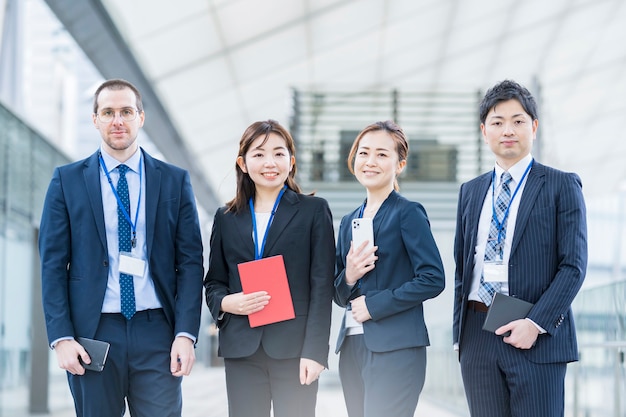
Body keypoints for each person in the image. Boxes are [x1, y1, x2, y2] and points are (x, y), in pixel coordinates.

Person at [39, 78, 204, 417]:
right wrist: (61, 337)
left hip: (157, 332)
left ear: (141, 117)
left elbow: (189, 263)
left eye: (126, 111)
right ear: (95, 119)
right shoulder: (66, 181)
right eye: (109, 112)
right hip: (94, 333)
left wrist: (186, 334)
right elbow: (52, 265)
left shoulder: (174, 180)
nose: (118, 120)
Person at [453, 79, 587, 417]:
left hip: (535, 336)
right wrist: (461, 338)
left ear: (534, 127)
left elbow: (573, 266)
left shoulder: (561, 185)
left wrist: (536, 323)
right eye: (497, 123)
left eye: (518, 121)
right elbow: (462, 267)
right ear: (484, 131)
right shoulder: (470, 191)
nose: (507, 130)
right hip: (477, 335)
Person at [203, 119, 335, 417]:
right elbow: (213, 282)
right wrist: (226, 302)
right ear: (243, 163)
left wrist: (315, 352)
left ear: (291, 161)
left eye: (278, 153)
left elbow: (322, 285)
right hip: (242, 347)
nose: (269, 162)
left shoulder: (314, 211)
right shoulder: (226, 217)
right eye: (259, 154)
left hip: (295, 347)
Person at [334, 120, 446, 417]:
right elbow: (337, 292)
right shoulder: (348, 221)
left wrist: (375, 305)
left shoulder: (408, 213)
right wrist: (349, 275)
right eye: (363, 153)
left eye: (382, 154)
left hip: (396, 349)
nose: (370, 161)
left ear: (400, 164)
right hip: (352, 347)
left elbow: (433, 278)